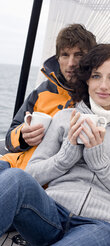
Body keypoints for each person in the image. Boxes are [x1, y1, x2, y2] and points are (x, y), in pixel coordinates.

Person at [0, 44, 110, 246]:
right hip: (50, 214)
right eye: (96, 76)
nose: (103, 85)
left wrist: (100, 163)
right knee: (15, 178)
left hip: (100, 226)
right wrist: (66, 156)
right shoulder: (64, 118)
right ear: (87, 79)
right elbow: (32, 173)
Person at [0, 23, 97, 170]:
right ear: (58, 58)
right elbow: (9, 140)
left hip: (47, 179)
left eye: (79, 55)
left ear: (90, 58)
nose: (71, 63)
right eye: (65, 55)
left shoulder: (103, 96)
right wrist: (22, 136)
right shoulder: (42, 91)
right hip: (13, 164)